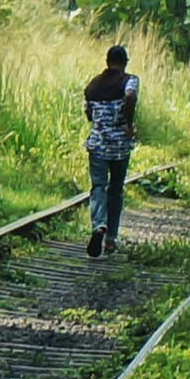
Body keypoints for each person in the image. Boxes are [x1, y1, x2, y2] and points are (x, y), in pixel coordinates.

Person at [83, 45, 138, 258]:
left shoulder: (93, 85)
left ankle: (98, 225)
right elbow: (130, 95)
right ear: (124, 62)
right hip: (120, 146)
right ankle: (111, 239)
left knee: (98, 187)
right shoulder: (130, 80)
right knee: (115, 189)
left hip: (97, 144)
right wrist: (128, 122)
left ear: (107, 61)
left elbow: (89, 113)